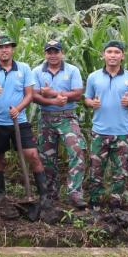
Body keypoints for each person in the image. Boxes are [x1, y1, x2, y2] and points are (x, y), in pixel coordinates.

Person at [0, 35, 50, 207]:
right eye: (0, 47)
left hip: (20, 121)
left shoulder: (24, 69)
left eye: (7, 47)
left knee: (32, 155)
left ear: (12, 49)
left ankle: (44, 196)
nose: (4, 50)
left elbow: (29, 95)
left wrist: (18, 108)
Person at [84, 40, 128, 209]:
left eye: (117, 52)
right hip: (99, 132)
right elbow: (86, 98)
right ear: (103, 55)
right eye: (109, 52)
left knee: (120, 171)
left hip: (122, 132)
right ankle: (95, 202)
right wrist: (91, 103)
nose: (113, 55)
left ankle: (116, 203)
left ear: (122, 56)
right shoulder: (93, 77)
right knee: (96, 170)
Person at [32, 40, 87, 209]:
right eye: (49, 52)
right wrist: (53, 100)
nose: (53, 55)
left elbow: (78, 94)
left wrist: (54, 94)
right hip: (46, 118)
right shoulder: (37, 71)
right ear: (45, 54)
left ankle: (75, 193)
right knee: (46, 157)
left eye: (56, 52)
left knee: (77, 151)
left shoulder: (72, 70)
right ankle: (50, 193)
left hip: (67, 117)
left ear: (62, 53)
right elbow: (34, 95)